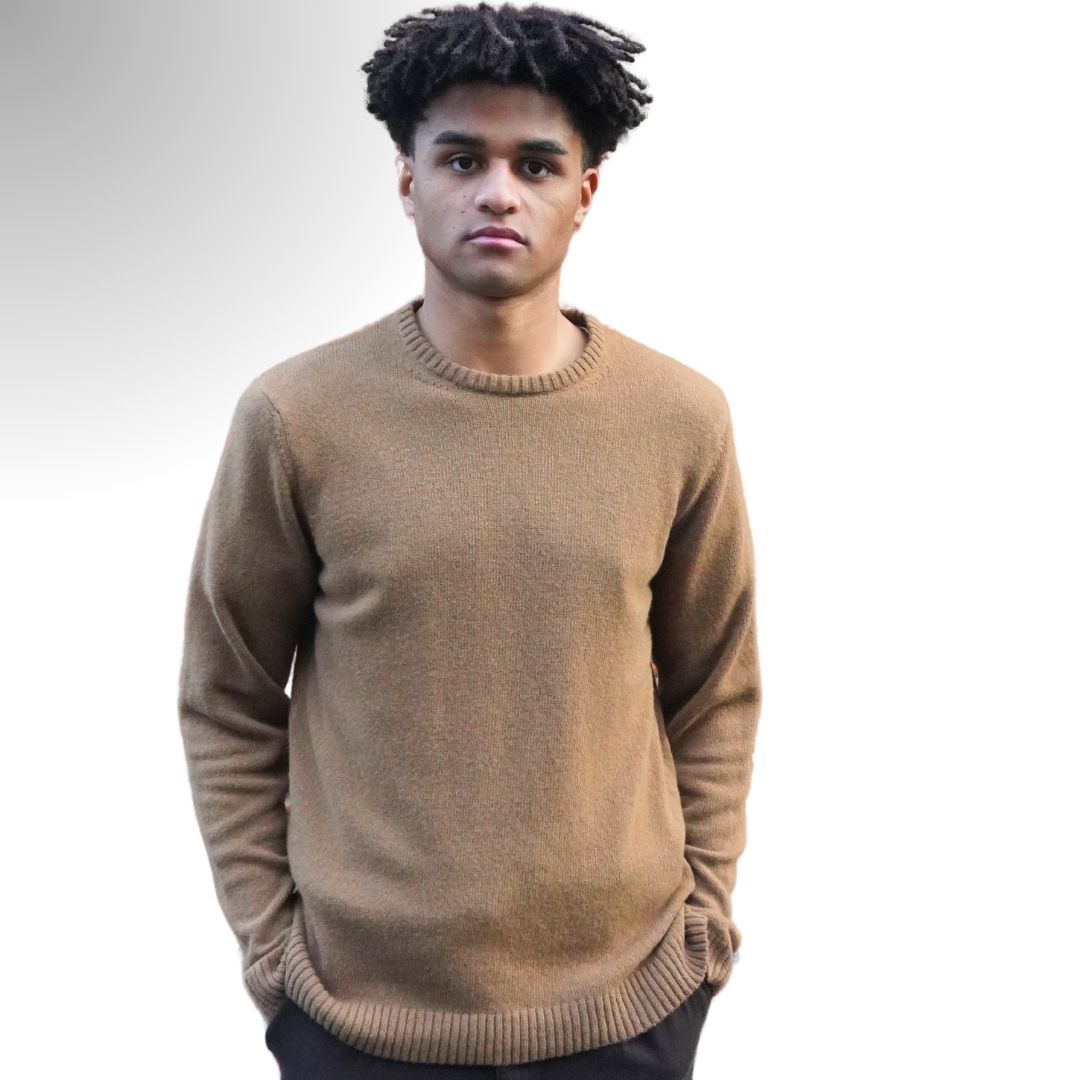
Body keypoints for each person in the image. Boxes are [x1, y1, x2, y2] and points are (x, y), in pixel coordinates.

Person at [177, 3, 763, 1077]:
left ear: (585, 194)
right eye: (462, 159)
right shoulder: (298, 417)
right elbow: (228, 692)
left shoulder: (680, 419)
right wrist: (273, 953)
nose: (498, 192)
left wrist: (703, 929)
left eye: (537, 164)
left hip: (627, 1005)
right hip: (358, 1016)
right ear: (408, 181)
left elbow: (716, 686)